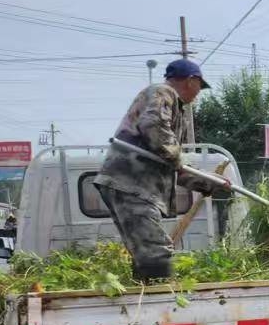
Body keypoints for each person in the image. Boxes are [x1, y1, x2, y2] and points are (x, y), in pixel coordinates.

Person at [91, 58, 229, 280]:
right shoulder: (163, 92)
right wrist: (176, 157)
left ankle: (146, 296)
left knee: (145, 254)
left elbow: (172, 164)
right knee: (157, 251)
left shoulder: (177, 111)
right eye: (199, 86)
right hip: (132, 183)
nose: (199, 93)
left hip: (134, 186)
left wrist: (206, 182)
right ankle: (163, 302)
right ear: (190, 80)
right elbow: (153, 127)